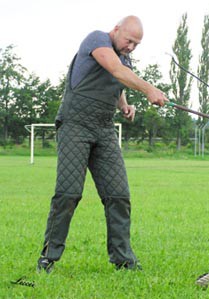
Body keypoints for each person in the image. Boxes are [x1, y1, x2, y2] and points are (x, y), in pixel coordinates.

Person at [37, 15, 168, 273]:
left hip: (104, 128)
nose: (131, 47)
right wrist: (149, 89)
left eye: (136, 44)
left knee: (118, 195)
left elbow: (118, 82)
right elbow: (115, 70)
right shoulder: (97, 39)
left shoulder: (124, 58)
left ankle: (123, 260)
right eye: (129, 40)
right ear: (116, 30)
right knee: (68, 193)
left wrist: (124, 105)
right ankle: (48, 258)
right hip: (75, 124)